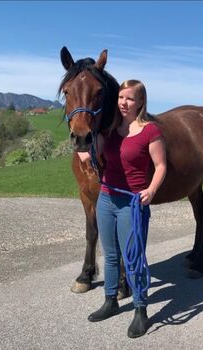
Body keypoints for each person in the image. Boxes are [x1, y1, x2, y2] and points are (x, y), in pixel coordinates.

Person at [78, 79, 167, 338]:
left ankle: (141, 309)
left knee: (134, 257)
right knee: (111, 255)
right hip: (106, 198)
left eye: (129, 98)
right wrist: (84, 143)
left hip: (132, 202)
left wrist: (151, 190)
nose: (123, 103)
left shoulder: (150, 131)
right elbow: (94, 152)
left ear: (140, 102)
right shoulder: (111, 131)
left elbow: (161, 166)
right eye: (120, 98)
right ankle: (110, 300)